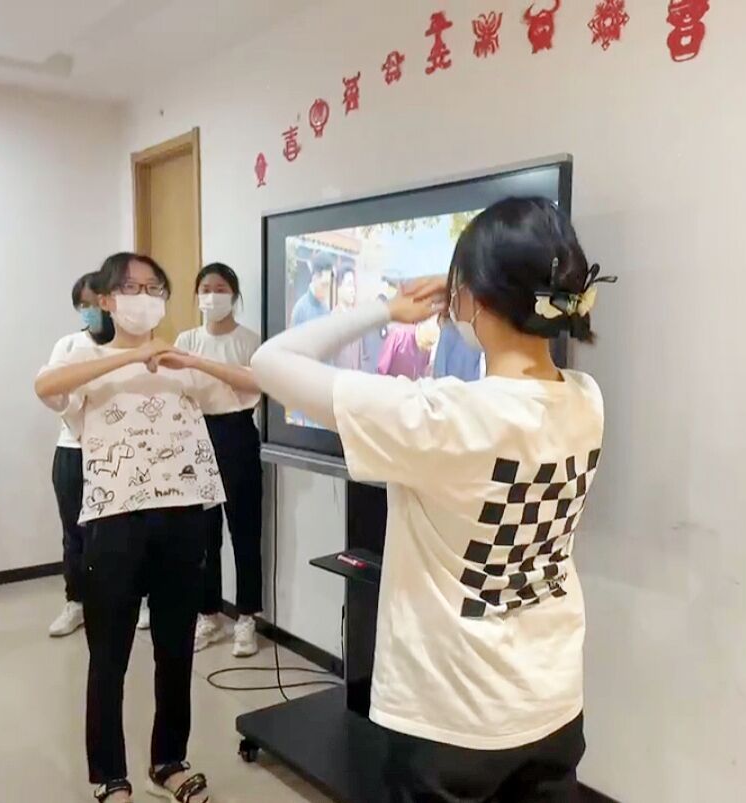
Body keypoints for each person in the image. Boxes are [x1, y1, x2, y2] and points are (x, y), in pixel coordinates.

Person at [250, 197, 612, 801]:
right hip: (551, 703)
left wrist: (385, 309)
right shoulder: (585, 398)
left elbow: (270, 361)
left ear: (472, 297)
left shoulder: (441, 417)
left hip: (452, 719)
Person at [35, 252, 260, 803]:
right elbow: (47, 387)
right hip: (113, 522)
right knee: (109, 655)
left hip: (183, 519)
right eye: (131, 287)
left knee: (175, 649)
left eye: (155, 287)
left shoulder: (181, 363)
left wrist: (190, 361)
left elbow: (250, 385)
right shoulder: (85, 356)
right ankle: (109, 775)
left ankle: (169, 761)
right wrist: (129, 356)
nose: (145, 296)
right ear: (107, 299)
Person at [175, 263, 263, 657]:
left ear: (234, 295)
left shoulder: (249, 341)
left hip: (237, 434)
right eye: (205, 288)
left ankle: (246, 618)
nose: (212, 295)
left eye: (221, 288)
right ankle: (208, 614)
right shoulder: (186, 340)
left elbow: (256, 385)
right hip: (195, 434)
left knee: (244, 530)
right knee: (202, 533)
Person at [48, 273, 115, 637]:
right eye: (83, 305)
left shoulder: (127, 346)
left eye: (96, 302)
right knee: (74, 531)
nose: (91, 310)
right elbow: (57, 395)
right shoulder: (69, 346)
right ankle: (76, 602)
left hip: (118, 453)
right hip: (74, 450)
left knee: (118, 534)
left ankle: (131, 600)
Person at [289, 252, 333, 328]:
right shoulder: (301, 310)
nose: (326, 290)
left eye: (328, 285)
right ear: (314, 278)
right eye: (324, 285)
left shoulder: (326, 309)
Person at [334, 266, 362, 370]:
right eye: (349, 285)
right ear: (339, 288)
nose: (353, 290)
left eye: (354, 286)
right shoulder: (332, 320)